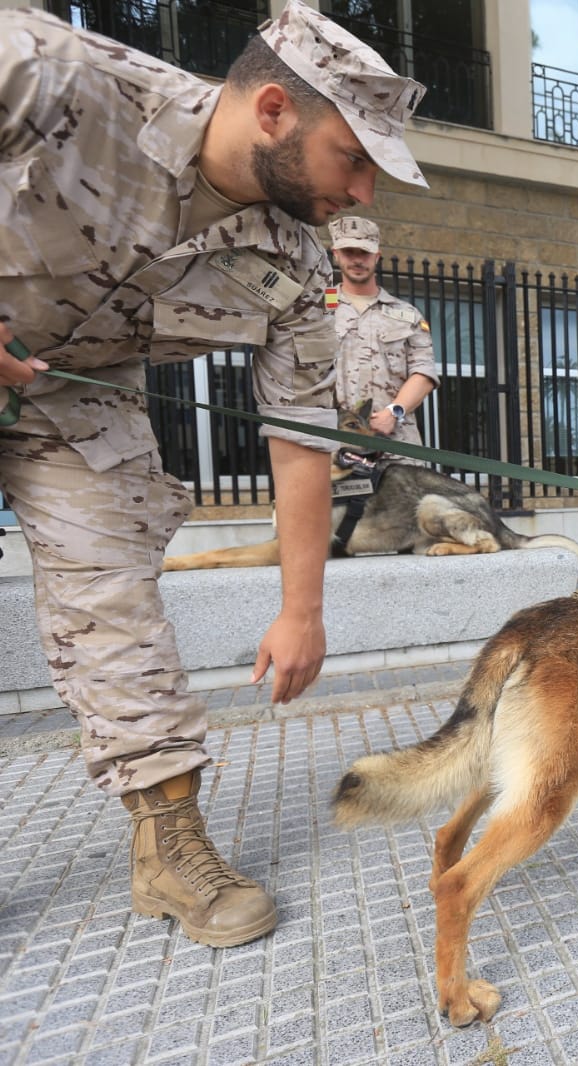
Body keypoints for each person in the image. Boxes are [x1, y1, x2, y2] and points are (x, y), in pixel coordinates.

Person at [0, 1, 426, 947]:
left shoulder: (290, 257)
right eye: (352, 159)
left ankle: (169, 847)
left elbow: (301, 436)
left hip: (77, 394)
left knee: (114, 597)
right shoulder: (54, 70)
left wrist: (302, 610)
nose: (362, 192)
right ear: (273, 108)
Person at [327, 216, 438, 459]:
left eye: (364, 253)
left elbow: (424, 372)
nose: (357, 259)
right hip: (335, 448)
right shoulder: (316, 310)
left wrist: (394, 411)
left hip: (395, 444)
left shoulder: (406, 315)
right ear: (336, 254)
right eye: (349, 252)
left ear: (377, 256)